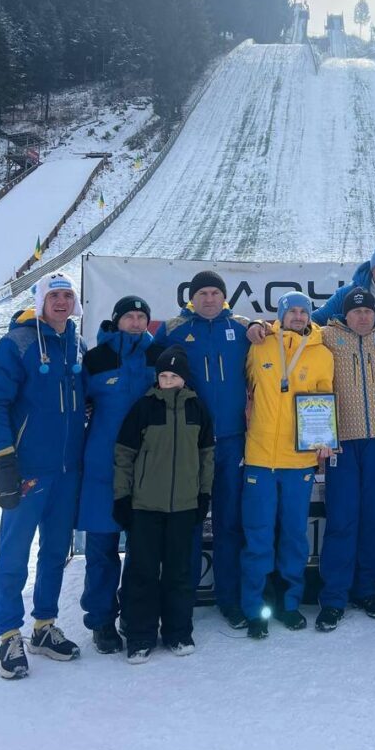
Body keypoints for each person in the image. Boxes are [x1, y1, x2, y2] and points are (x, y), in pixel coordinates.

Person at [0, 270, 87, 680]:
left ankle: (43, 626)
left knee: (56, 551)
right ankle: (8, 634)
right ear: (41, 301)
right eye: (54, 296)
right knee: (14, 553)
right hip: (28, 470)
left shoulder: (77, 343)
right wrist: (4, 459)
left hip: (67, 469)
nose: (61, 302)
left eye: (67, 296)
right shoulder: (17, 343)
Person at [154, 269, 262, 629]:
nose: (210, 299)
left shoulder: (243, 329)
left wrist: (259, 327)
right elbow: (146, 370)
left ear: (224, 297)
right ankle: (181, 601)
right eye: (203, 293)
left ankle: (229, 599)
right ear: (192, 297)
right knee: (190, 522)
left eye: (215, 292)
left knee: (230, 524)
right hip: (191, 444)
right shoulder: (174, 330)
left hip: (233, 442)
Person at [241, 292, 334, 639]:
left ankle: (289, 604)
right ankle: (256, 609)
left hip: (299, 461)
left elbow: (326, 399)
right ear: (280, 314)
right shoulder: (260, 344)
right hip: (260, 458)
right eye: (291, 310)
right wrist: (252, 325)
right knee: (258, 535)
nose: (297, 316)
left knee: (294, 535)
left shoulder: (323, 353)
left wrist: (324, 439)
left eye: (302, 311)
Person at [113, 346, 214, 662]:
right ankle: (140, 636)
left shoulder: (197, 408)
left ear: (184, 379)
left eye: (174, 376)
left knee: (179, 572)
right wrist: (123, 497)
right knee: (142, 572)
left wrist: (203, 495)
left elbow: (206, 456)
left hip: (184, 506)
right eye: (164, 376)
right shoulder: (143, 408)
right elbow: (124, 456)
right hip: (146, 506)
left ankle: (178, 632)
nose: (168, 381)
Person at [316, 289, 375, 632]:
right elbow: (289, 329)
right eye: (356, 312)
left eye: (368, 311)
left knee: (372, 518)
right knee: (341, 519)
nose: (363, 317)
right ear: (345, 315)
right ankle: (334, 597)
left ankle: (367, 590)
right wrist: (253, 327)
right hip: (342, 443)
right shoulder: (326, 337)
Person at [78, 295, 159, 653]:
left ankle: (135, 615)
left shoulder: (157, 356)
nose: (137, 322)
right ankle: (101, 621)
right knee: (101, 550)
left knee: (142, 551)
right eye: (130, 316)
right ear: (117, 320)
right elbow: (77, 407)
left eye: (142, 317)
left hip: (145, 468)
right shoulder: (95, 360)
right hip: (102, 469)